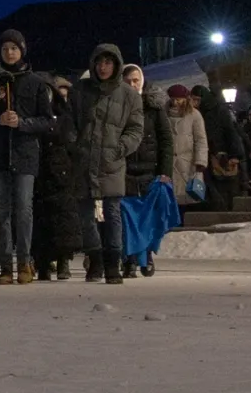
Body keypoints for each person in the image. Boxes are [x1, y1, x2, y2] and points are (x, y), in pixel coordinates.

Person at [0, 30, 55, 285]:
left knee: (24, 209)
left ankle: (25, 262)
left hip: (25, 155)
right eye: (5, 48)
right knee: (2, 211)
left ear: (22, 51)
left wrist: (23, 123)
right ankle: (5, 265)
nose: (10, 52)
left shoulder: (36, 83)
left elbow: (47, 120)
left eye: (14, 48)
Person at [64, 45, 144, 285]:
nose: (103, 67)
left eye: (108, 62)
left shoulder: (128, 95)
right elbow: (68, 122)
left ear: (116, 65)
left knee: (112, 213)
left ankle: (112, 263)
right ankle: (94, 260)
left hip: (112, 161)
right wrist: (74, 145)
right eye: (99, 62)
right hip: (84, 159)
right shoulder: (80, 91)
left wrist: (120, 149)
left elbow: (135, 128)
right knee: (85, 214)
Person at [120, 64, 173, 277]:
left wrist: (165, 171)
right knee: (127, 219)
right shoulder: (117, 105)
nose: (133, 84)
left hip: (150, 171)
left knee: (147, 219)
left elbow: (166, 140)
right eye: (128, 81)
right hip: (124, 170)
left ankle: (147, 255)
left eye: (136, 80)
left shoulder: (154, 107)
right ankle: (130, 259)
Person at [32, 74, 82, 281]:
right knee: (40, 220)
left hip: (62, 172)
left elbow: (72, 145)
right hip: (37, 172)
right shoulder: (31, 117)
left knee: (63, 220)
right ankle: (42, 262)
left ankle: (63, 260)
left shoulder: (64, 116)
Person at [194, 84, 249, 212]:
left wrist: (235, 154)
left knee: (226, 188)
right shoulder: (197, 113)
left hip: (221, 155)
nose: (195, 103)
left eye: (197, 99)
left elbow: (231, 132)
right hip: (208, 156)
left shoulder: (219, 111)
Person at [168, 84, 209, 210]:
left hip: (188, 162)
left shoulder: (194, 115)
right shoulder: (164, 114)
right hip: (169, 162)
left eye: (179, 99)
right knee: (170, 199)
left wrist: (200, 161)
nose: (175, 102)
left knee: (188, 198)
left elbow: (200, 140)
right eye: (173, 99)